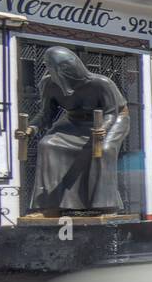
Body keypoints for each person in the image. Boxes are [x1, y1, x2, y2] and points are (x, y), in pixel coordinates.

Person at [18, 47, 130, 214]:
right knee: (47, 144)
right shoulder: (49, 85)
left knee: (103, 150)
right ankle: (52, 205)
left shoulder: (101, 83)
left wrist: (103, 130)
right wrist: (30, 129)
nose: (55, 72)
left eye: (60, 68)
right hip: (74, 121)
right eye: (50, 68)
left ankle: (104, 205)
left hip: (112, 120)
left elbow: (110, 113)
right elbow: (46, 114)